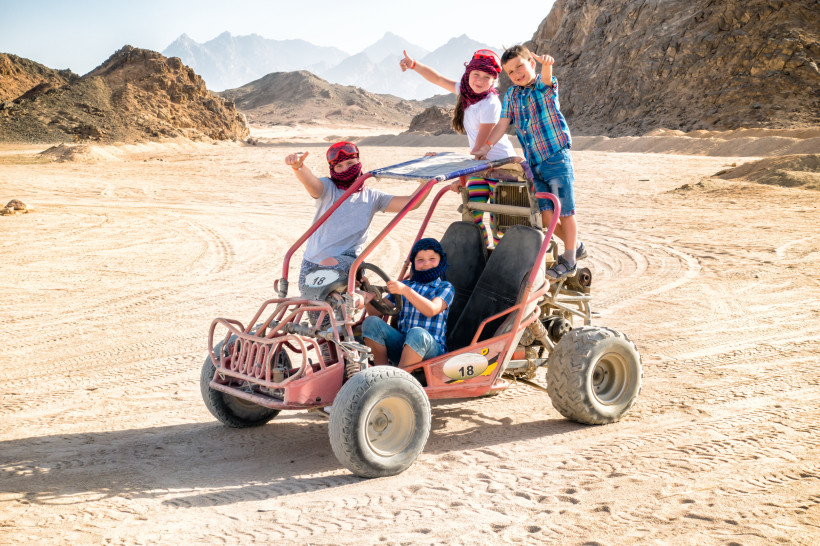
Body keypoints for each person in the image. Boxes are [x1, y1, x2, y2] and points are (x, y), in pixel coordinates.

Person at [474, 45, 587, 280]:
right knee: (546, 216)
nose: (517, 74)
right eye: (511, 72)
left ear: (531, 64)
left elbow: (547, 79)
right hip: (534, 164)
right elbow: (503, 123)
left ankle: (569, 260)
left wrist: (548, 65)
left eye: (520, 67)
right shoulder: (512, 96)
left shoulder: (543, 87)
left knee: (564, 212)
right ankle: (574, 245)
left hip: (556, 158)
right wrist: (486, 146)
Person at [400, 49, 517, 248]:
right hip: (480, 167)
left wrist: (462, 178)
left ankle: (499, 258)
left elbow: (481, 149)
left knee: (500, 223)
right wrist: (414, 65)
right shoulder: (465, 91)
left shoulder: (490, 104)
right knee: (473, 218)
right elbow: (437, 79)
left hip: (500, 167)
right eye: (476, 75)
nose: (479, 81)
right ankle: (483, 257)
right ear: (468, 74)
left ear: (494, 81)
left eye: (486, 77)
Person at [284, 141, 431, 294]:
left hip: (347, 264)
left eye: (350, 163)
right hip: (311, 264)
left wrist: (428, 177)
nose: (345, 169)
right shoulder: (328, 188)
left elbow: (411, 203)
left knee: (333, 301)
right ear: (332, 169)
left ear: (358, 162)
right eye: (339, 166)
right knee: (318, 314)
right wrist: (298, 167)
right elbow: (311, 182)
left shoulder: (372, 197)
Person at [362, 238, 454, 367]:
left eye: (432, 259)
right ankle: (381, 372)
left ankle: (398, 378)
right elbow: (376, 312)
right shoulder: (406, 284)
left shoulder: (445, 287)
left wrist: (405, 291)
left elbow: (431, 310)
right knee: (371, 322)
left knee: (417, 333)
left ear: (441, 261)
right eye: (420, 260)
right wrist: (366, 294)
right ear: (414, 263)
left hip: (431, 351)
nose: (426, 264)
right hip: (403, 346)